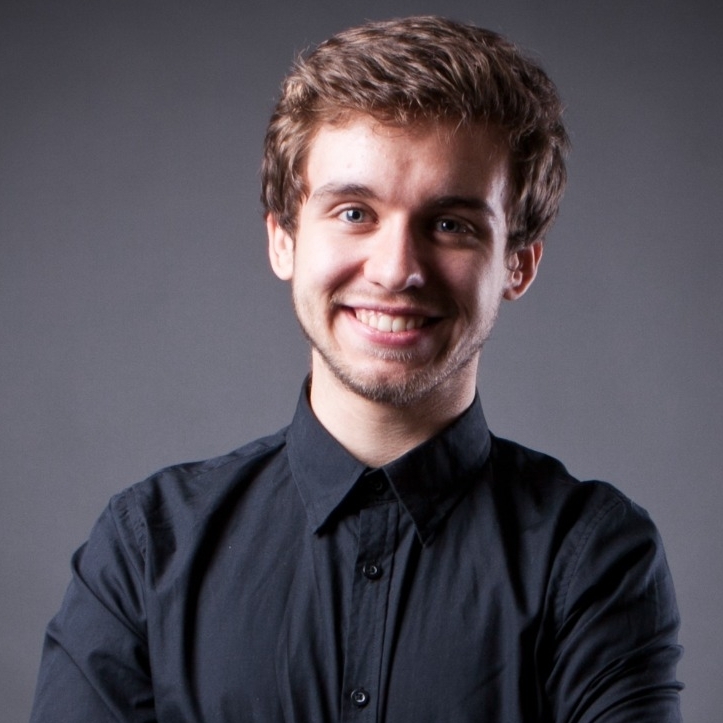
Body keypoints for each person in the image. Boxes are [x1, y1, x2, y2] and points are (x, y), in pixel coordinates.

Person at [30, 15, 683, 722]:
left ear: (517, 265)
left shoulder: (592, 557)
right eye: (352, 212)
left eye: (450, 225)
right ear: (283, 239)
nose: (396, 270)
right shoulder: (146, 548)